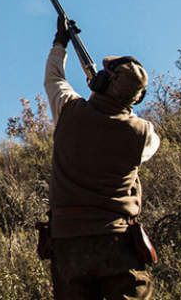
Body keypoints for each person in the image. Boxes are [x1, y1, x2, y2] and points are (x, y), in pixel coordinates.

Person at [44, 17, 160, 300]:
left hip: (68, 241)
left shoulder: (69, 111)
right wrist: (113, 98)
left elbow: (54, 78)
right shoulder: (143, 133)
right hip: (117, 241)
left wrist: (60, 43)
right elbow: (137, 138)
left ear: (102, 81)